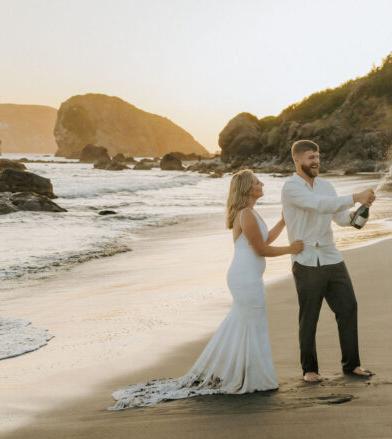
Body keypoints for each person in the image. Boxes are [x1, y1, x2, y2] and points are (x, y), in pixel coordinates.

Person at [110, 169, 303, 410]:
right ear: (247, 188)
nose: (262, 183)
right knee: (252, 324)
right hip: (244, 278)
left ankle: (250, 375)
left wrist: (283, 222)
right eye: (256, 182)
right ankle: (251, 377)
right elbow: (260, 250)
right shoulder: (246, 214)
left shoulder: (251, 213)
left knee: (249, 324)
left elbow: (265, 241)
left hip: (248, 277)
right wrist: (291, 249)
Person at [281, 140, 375, 383]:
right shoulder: (290, 188)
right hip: (306, 260)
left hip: (331, 257)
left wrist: (360, 212)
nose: (316, 161)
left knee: (348, 308)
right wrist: (355, 196)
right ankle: (309, 369)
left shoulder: (327, 185)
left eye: (318, 157)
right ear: (297, 160)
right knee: (309, 316)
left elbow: (343, 219)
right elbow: (319, 205)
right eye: (311, 157)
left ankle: (352, 365)